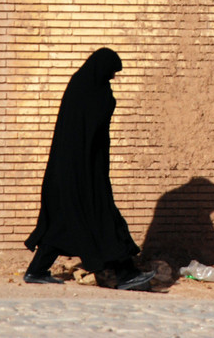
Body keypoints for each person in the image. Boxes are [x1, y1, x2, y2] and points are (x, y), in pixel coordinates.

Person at [24, 48, 155, 291]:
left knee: (63, 225)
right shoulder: (92, 90)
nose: (113, 78)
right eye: (111, 73)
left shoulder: (81, 85)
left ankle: (36, 270)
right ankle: (125, 274)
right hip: (83, 173)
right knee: (105, 221)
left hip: (72, 171)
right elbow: (96, 117)